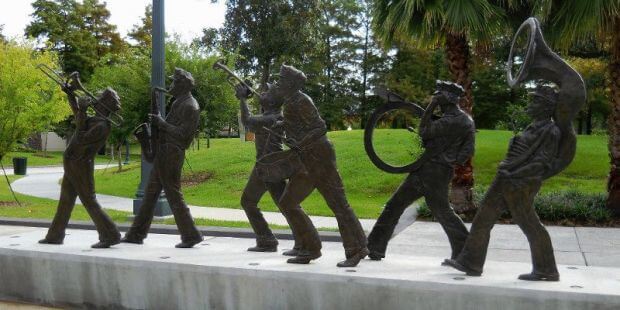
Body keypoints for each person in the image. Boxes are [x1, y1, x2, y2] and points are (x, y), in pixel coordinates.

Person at [444, 85, 562, 281]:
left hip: (519, 183)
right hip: (505, 179)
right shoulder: (532, 127)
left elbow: (542, 162)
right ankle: (471, 262)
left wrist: (513, 171)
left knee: (529, 223)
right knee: (483, 218)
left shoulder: (551, 131)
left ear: (545, 107)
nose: (530, 104)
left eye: (535, 101)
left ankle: (546, 269)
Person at [266, 65, 368, 267]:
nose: (278, 83)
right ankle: (311, 248)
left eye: (282, 80)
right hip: (306, 160)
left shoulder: (302, 100)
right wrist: (283, 126)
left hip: (319, 157)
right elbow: (298, 125)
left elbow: (320, 127)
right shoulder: (291, 101)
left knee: (338, 203)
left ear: (291, 83)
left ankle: (356, 248)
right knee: (288, 202)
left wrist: (301, 142)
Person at [366, 81, 474, 261]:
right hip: (431, 170)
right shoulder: (465, 120)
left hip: (434, 171)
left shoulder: (451, 120)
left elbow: (423, 131)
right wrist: (451, 161)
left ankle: (467, 253)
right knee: (399, 205)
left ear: (447, 98)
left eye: (438, 95)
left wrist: (431, 106)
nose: (435, 97)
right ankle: (374, 248)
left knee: (440, 211)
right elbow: (467, 150)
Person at [122, 68, 203, 248]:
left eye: (173, 82)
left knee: (174, 195)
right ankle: (136, 234)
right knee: (150, 196)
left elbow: (184, 135)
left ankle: (191, 235)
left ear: (182, 85)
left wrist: (161, 123)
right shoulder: (178, 102)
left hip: (172, 154)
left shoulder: (191, 106)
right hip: (165, 153)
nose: (170, 86)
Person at [40, 82, 122, 249]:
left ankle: (110, 234)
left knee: (89, 200)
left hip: (81, 165)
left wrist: (83, 111)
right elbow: (78, 116)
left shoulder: (102, 125)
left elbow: (80, 139)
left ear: (105, 103)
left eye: (99, 96)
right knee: (65, 200)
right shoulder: (96, 119)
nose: (95, 98)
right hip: (73, 164)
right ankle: (55, 235)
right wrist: (71, 95)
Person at [235, 83, 302, 254]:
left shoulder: (272, 117)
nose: (262, 93)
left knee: (286, 205)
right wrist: (246, 99)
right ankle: (266, 240)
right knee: (250, 202)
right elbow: (251, 120)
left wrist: (243, 98)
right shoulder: (270, 115)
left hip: (271, 167)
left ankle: (303, 242)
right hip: (264, 166)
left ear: (272, 102)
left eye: (267, 93)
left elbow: (247, 122)